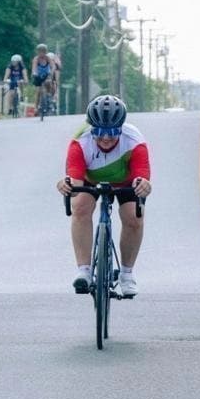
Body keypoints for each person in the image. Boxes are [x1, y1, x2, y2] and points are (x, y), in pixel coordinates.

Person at [56, 95, 151, 298]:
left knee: (134, 216)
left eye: (113, 132)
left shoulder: (134, 140)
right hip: (90, 178)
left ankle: (126, 274)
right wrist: (67, 186)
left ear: (121, 129)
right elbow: (76, 184)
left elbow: (141, 178)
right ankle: (84, 271)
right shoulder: (79, 142)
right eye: (99, 132)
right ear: (91, 128)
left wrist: (144, 186)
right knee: (80, 206)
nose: (106, 138)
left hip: (125, 180)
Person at [31, 44, 56, 113]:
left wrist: (51, 72)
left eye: (43, 51)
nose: (41, 53)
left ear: (45, 52)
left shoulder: (48, 58)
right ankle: (36, 107)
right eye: (40, 51)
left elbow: (53, 66)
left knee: (49, 82)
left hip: (46, 75)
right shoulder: (36, 59)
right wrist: (34, 73)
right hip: (38, 75)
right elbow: (34, 67)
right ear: (38, 52)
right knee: (38, 91)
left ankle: (49, 97)